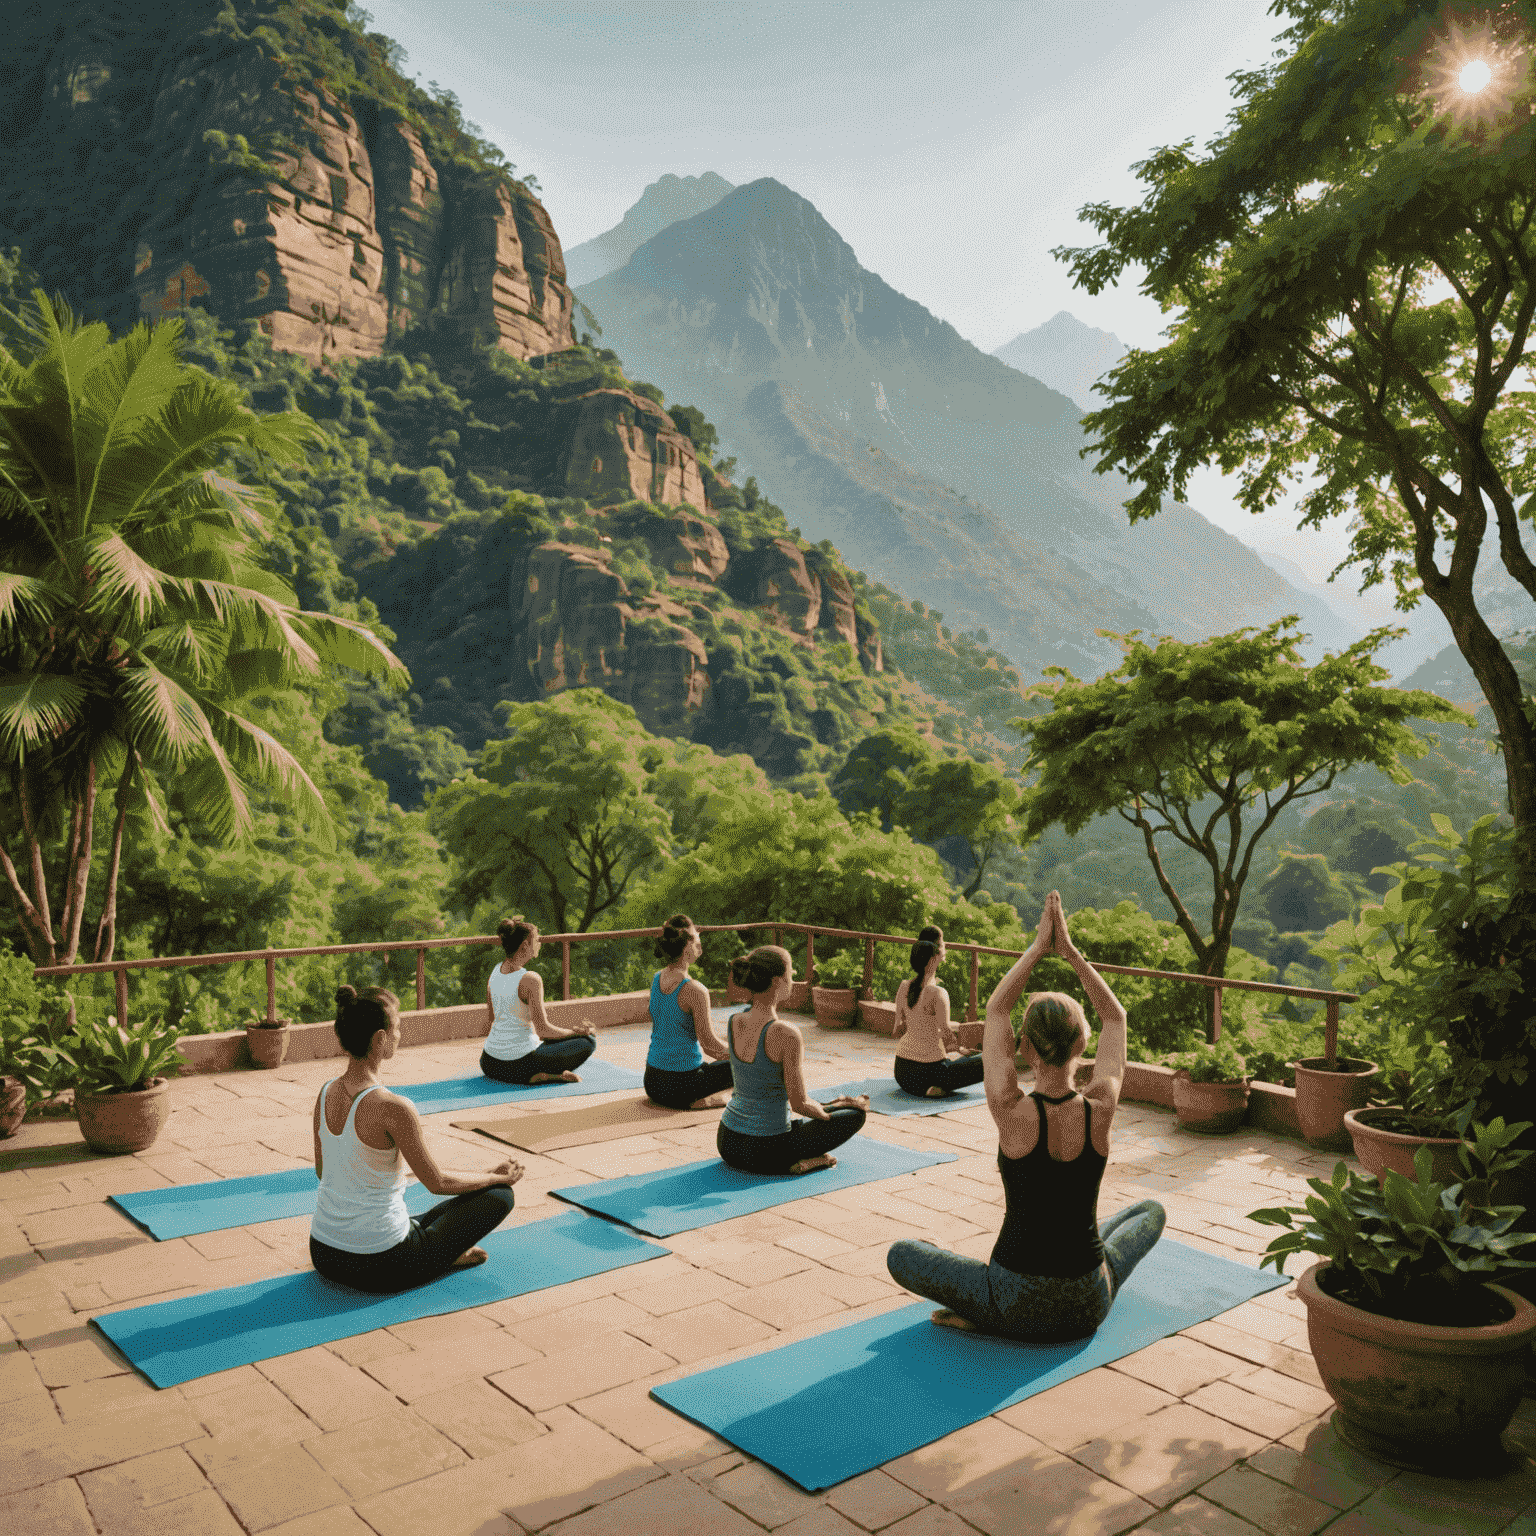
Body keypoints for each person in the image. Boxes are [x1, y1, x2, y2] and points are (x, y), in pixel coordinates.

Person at [886, 891, 1165, 1341]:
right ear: (1081, 1046)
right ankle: (1002, 1307)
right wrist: (1070, 953)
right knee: (1150, 1211)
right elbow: (1117, 1020)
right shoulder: (1101, 1108)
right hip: (1087, 1303)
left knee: (904, 1254)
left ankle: (986, 1313)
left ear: (1026, 1048)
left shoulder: (1009, 1109)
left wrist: (1037, 949)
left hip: (1012, 1297)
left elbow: (997, 1010)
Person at [310, 985, 523, 1293]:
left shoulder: (325, 1092)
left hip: (325, 1253)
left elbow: (323, 1172)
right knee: (499, 1196)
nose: (399, 1035)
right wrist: (492, 1177)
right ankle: (441, 1258)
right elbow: (437, 1184)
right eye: (397, 1028)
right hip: (380, 1264)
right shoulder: (393, 1107)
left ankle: (435, 1251)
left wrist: (389, 1176)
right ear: (380, 1039)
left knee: (432, 1215)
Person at [717, 946, 870, 1175]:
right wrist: (833, 1113)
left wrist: (831, 1105)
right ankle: (800, 1162)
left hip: (727, 1142)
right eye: (790, 971)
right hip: (765, 1150)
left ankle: (796, 1158)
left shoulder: (734, 1020)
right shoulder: (786, 1033)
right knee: (855, 1115)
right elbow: (799, 1104)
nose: (794, 974)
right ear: (778, 981)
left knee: (833, 1109)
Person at [481, 918, 597, 1084]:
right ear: (525, 945)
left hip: (490, 1061)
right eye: (536, 939)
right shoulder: (530, 979)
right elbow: (543, 1031)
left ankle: (536, 1075)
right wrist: (577, 1032)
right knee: (588, 1042)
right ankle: (543, 1075)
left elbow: (491, 1019)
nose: (540, 943)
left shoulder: (495, 971)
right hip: (522, 1062)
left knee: (553, 1039)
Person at [644, 913, 734, 1110]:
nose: (700, 947)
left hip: (652, 1082)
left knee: (717, 1067)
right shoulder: (695, 990)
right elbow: (710, 1046)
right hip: (681, 1087)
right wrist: (744, 1053)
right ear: (686, 948)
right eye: (697, 942)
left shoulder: (657, 978)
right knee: (742, 1068)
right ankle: (712, 1098)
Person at [892, 924, 985, 1098]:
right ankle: (932, 1087)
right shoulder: (938, 993)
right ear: (933, 957)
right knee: (988, 1060)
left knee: (948, 1065)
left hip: (902, 1072)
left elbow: (897, 1028)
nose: (944, 949)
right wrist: (961, 1050)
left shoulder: (904, 986)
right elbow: (946, 1031)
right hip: (931, 1072)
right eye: (942, 946)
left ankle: (927, 1089)